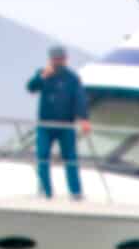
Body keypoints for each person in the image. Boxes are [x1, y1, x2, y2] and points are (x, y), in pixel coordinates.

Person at [25, 46, 91, 199]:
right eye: (55, 59)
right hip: (45, 125)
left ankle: (75, 192)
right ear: (50, 59)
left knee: (70, 158)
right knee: (42, 156)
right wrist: (42, 77)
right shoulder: (43, 74)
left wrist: (84, 118)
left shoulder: (72, 78)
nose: (57, 62)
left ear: (65, 59)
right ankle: (45, 191)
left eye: (60, 59)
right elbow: (31, 88)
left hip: (65, 126)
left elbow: (79, 99)